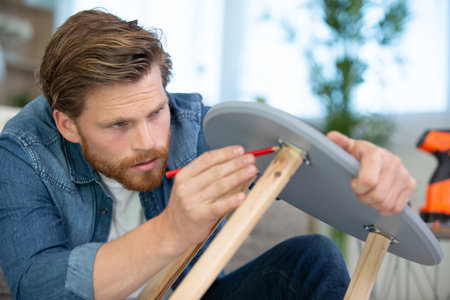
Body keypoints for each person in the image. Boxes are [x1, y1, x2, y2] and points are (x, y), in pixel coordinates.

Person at [0, 9, 416, 300]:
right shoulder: (24, 151)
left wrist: (367, 169)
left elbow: (299, 156)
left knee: (314, 258)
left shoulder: (195, 125)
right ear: (67, 124)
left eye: (155, 111)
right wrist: (172, 230)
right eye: (118, 125)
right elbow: (37, 287)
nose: (148, 140)